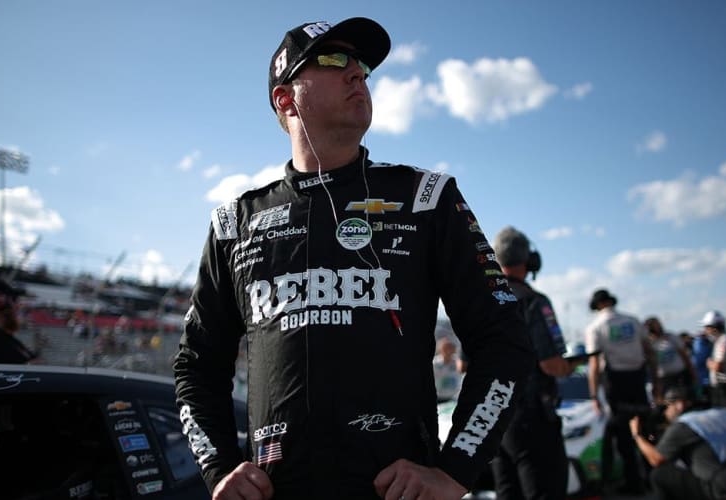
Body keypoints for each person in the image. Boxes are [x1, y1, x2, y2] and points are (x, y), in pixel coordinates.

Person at [172, 17, 532, 500]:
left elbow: (505, 340)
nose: (357, 73)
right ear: (286, 98)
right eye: (333, 59)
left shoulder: (425, 197)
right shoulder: (235, 222)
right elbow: (195, 365)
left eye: (361, 65)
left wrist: (455, 470)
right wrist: (218, 466)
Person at [491, 226, 574, 500]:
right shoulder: (535, 302)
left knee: (507, 492)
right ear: (529, 261)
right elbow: (551, 364)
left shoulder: (480, 301)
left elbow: (463, 365)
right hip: (531, 418)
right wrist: (569, 366)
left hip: (493, 418)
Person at [629, 387, 726, 500]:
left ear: (680, 404)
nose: (665, 412)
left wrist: (637, 435)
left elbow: (656, 459)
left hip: (725, 490)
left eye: (667, 406)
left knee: (660, 475)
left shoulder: (686, 424)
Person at [584, 288, 657, 495]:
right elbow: (650, 353)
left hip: (616, 384)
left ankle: (633, 482)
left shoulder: (596, 327)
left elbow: (594, 365)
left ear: (597, 305)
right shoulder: (633, 321)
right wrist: (656, 381)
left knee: (624, 436)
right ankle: (653, 477)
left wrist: (593, 395)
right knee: (645, 430)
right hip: (638, 380)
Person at [644, 316, 696, 400]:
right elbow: (652, 366)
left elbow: (684, 356)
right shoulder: (650, 344)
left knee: (685, 399)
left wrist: (693, 373)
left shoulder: (672, 337)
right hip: (664, 379)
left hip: (680, 375)